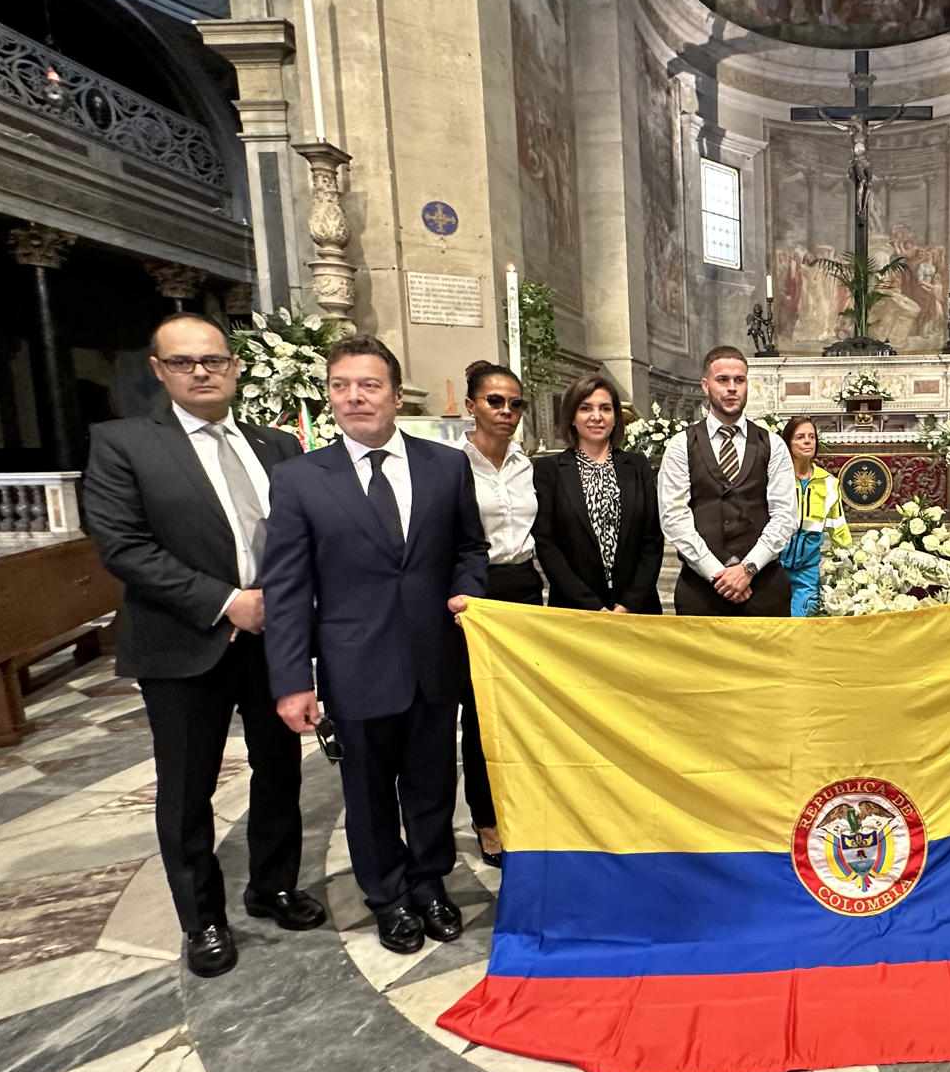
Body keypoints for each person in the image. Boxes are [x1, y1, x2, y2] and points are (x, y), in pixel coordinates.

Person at [80, 313, 323, 979]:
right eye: (183, 362)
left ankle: (272, 886)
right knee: (188, 786)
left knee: (280, 770)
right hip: (186, 640)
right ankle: (203, 919)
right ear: (159, 370)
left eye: (212, 360)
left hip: (273, 639)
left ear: (235, 367)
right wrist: (228, 602)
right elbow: (126, 548)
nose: (201, 372)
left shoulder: (276, 446)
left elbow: (304, 535)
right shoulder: (123, 444)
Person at [263, 335, 489, 956]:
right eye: (341, 386)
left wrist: (465, 593)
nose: (355, 397)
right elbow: (285, 587)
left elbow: (470, 548)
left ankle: (430, 882)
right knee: (366, 794)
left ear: (395, 394)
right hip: (353, 663)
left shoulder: (445, 466)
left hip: (433, 657)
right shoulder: (301, 479)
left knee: (431, 782)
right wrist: (291, 679)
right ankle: (387, 896)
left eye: (369, 385)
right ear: (330, 394)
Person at [456, 361, 540, 870]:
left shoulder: (527, 465)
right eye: (495, 401)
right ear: (471, 406)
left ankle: (522, 809)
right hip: (477, 590)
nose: (506, 411)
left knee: (520, 709)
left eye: (515, 404)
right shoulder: (450, 464)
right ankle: (487, 819)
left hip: (525, 587)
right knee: (480, 709)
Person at [657, 345, 795, 616]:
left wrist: (747, 570)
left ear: (747, 385)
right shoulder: (681, 445)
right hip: (701, 588)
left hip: (763, 585)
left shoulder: (773, 444)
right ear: (706, 386)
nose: (732, 388)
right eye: (723, 380)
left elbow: (785, 516)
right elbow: (673, 517)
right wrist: (717, 574)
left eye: (739, 380)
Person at [534, 372, 665, 615]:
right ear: (572, 417)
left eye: (605, 408)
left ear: (616, 418)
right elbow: (547, 544)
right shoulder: (548, 470)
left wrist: (630, 602)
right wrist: (591, 606)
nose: (596, 416)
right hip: (575, 610)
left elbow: (652, 539)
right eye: (585, 408)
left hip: (637, 607)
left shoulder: (637, 466)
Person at [778, 416, 850, 615]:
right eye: (800, 437)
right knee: (772, 625)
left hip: (807, 572)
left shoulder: (829, 482)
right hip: (772, 568)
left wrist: (850, 562)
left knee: (804, 623)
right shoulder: (775, 478)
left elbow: (838, 527)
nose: (808, 441)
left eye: (811, 436)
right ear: (787, 443)